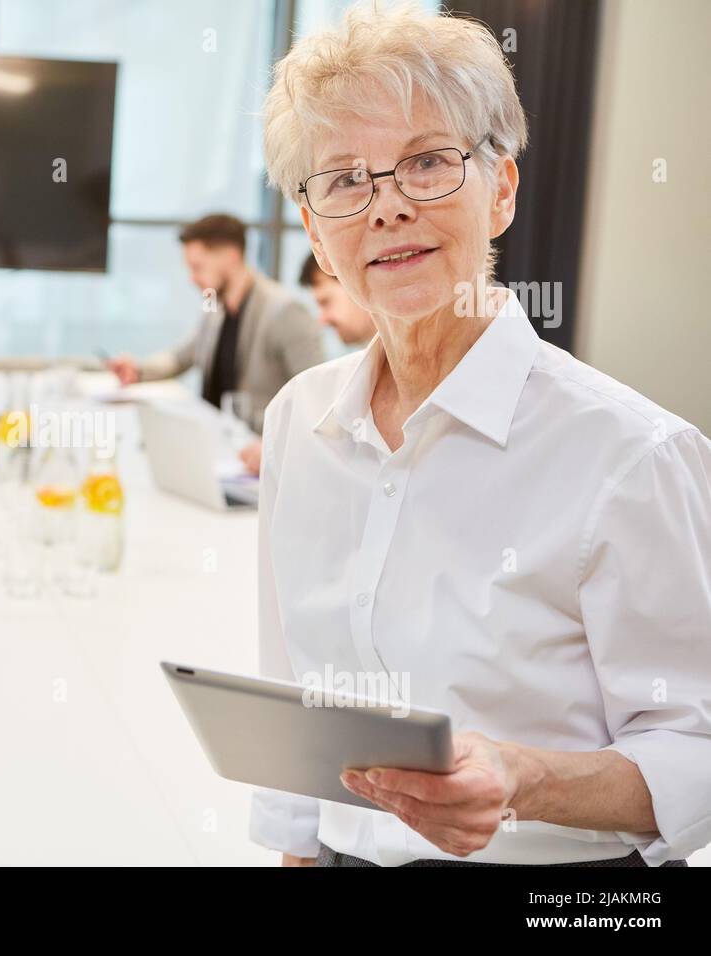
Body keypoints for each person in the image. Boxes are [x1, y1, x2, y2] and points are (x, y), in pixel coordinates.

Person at [253, 1, 710, 867]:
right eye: (345, 180)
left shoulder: (631, 454)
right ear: (314, 232)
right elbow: (293, 698)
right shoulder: (297, 423)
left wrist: (523, 777)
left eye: (426, 163)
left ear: (500, 190)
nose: (385, 208)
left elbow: (698, 751)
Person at [105, 214, 323, 432]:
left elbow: (315, 398)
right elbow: (181, 357)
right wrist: (137, 370)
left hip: (259, 447)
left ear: (231, 256)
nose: (192, 278)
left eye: (197, 267)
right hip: (216, 439)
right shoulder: (215, 308)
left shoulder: (285, 311)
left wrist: (271, 443)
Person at [240, 254, 375, 474]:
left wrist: (281, 450)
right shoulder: (366, 365)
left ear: (358, 285)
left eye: (326, 302)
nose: (322, 319)